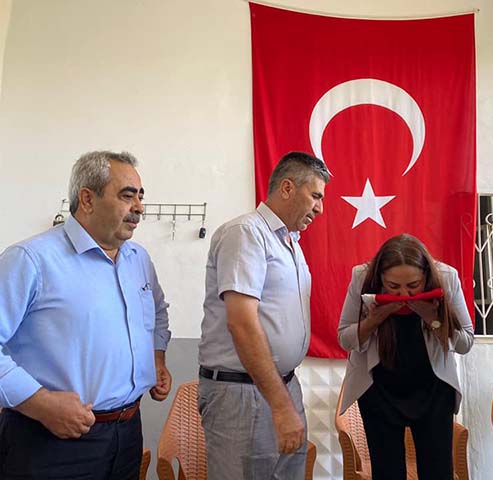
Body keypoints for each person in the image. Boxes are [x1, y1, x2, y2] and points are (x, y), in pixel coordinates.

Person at [0, 151, 172, 479]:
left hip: (127, 435)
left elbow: (158, 313)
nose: (139, 207)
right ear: (87, 199)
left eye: (141, 196)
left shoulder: (138, 259)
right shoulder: (30, 260)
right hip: (49, 441)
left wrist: (157, 357)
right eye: (127, 196)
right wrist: (41, 403)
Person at [198, 151, 329, 480]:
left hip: (281, 386)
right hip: (243, 393)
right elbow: (241, 323)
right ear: (287, 188)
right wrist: (281, 406)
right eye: (315, 196)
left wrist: (285, 399)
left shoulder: (290, 242)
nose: (320, 208)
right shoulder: (246, 233)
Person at [338, 234, 474, 479]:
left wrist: (432, 319)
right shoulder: (362, 277)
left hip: (434, 389)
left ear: (426, 276)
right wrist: (374, 320)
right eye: (393, 286)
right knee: (386, 471)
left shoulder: (446, 277)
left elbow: (465, 342)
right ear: (380, 277)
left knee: (438, 471)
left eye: (413, 285)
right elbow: (345, 339)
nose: (403, 294)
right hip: (379, 389)